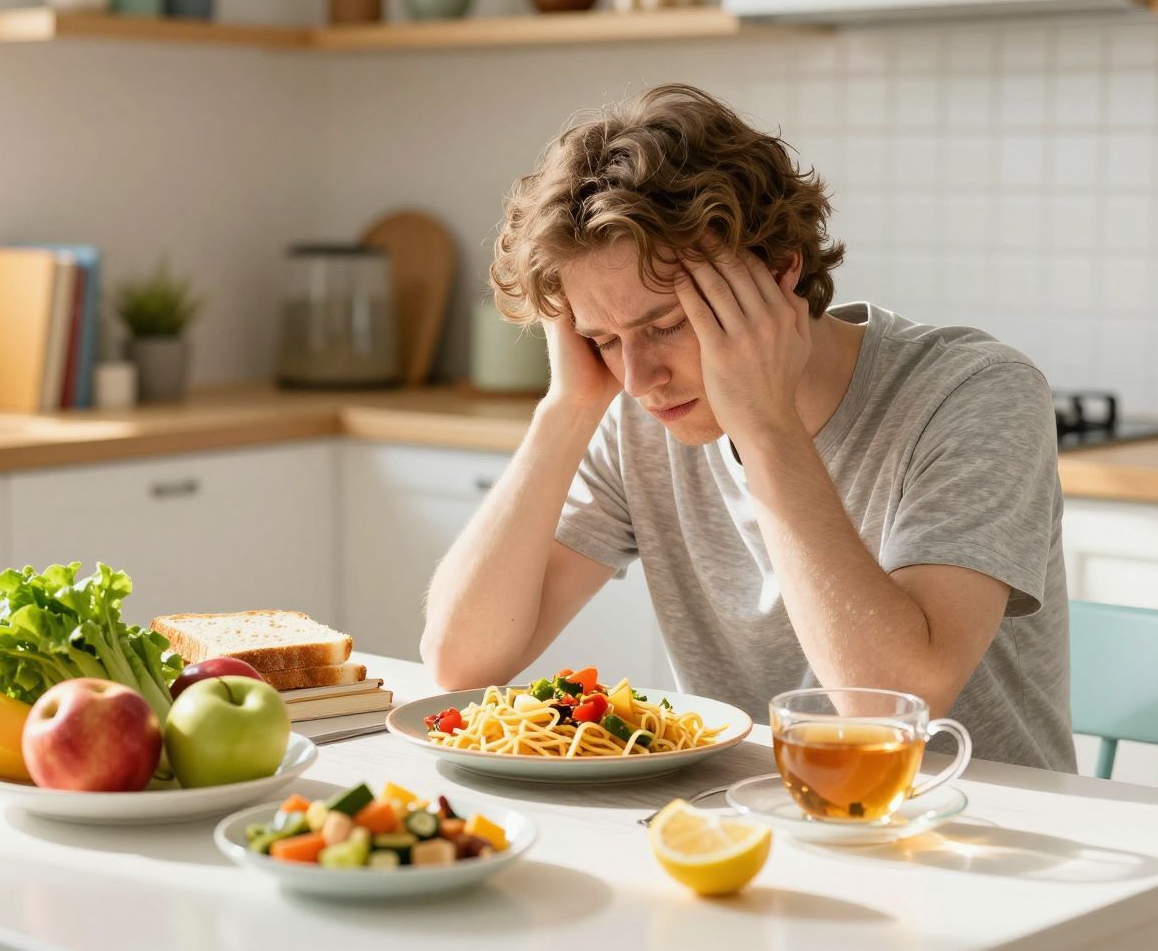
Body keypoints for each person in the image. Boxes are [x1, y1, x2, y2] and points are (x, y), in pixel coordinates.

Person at [421, 84, 1074, 771]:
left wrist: (765, 426)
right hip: (748, 814)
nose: (638, 379)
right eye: (604, 338)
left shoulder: (974, 392)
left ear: (782, 269)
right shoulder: (639, 415)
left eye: (666, 324)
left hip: (977, 821)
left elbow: (888, 710)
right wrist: (568, 407)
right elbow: (461, 662)